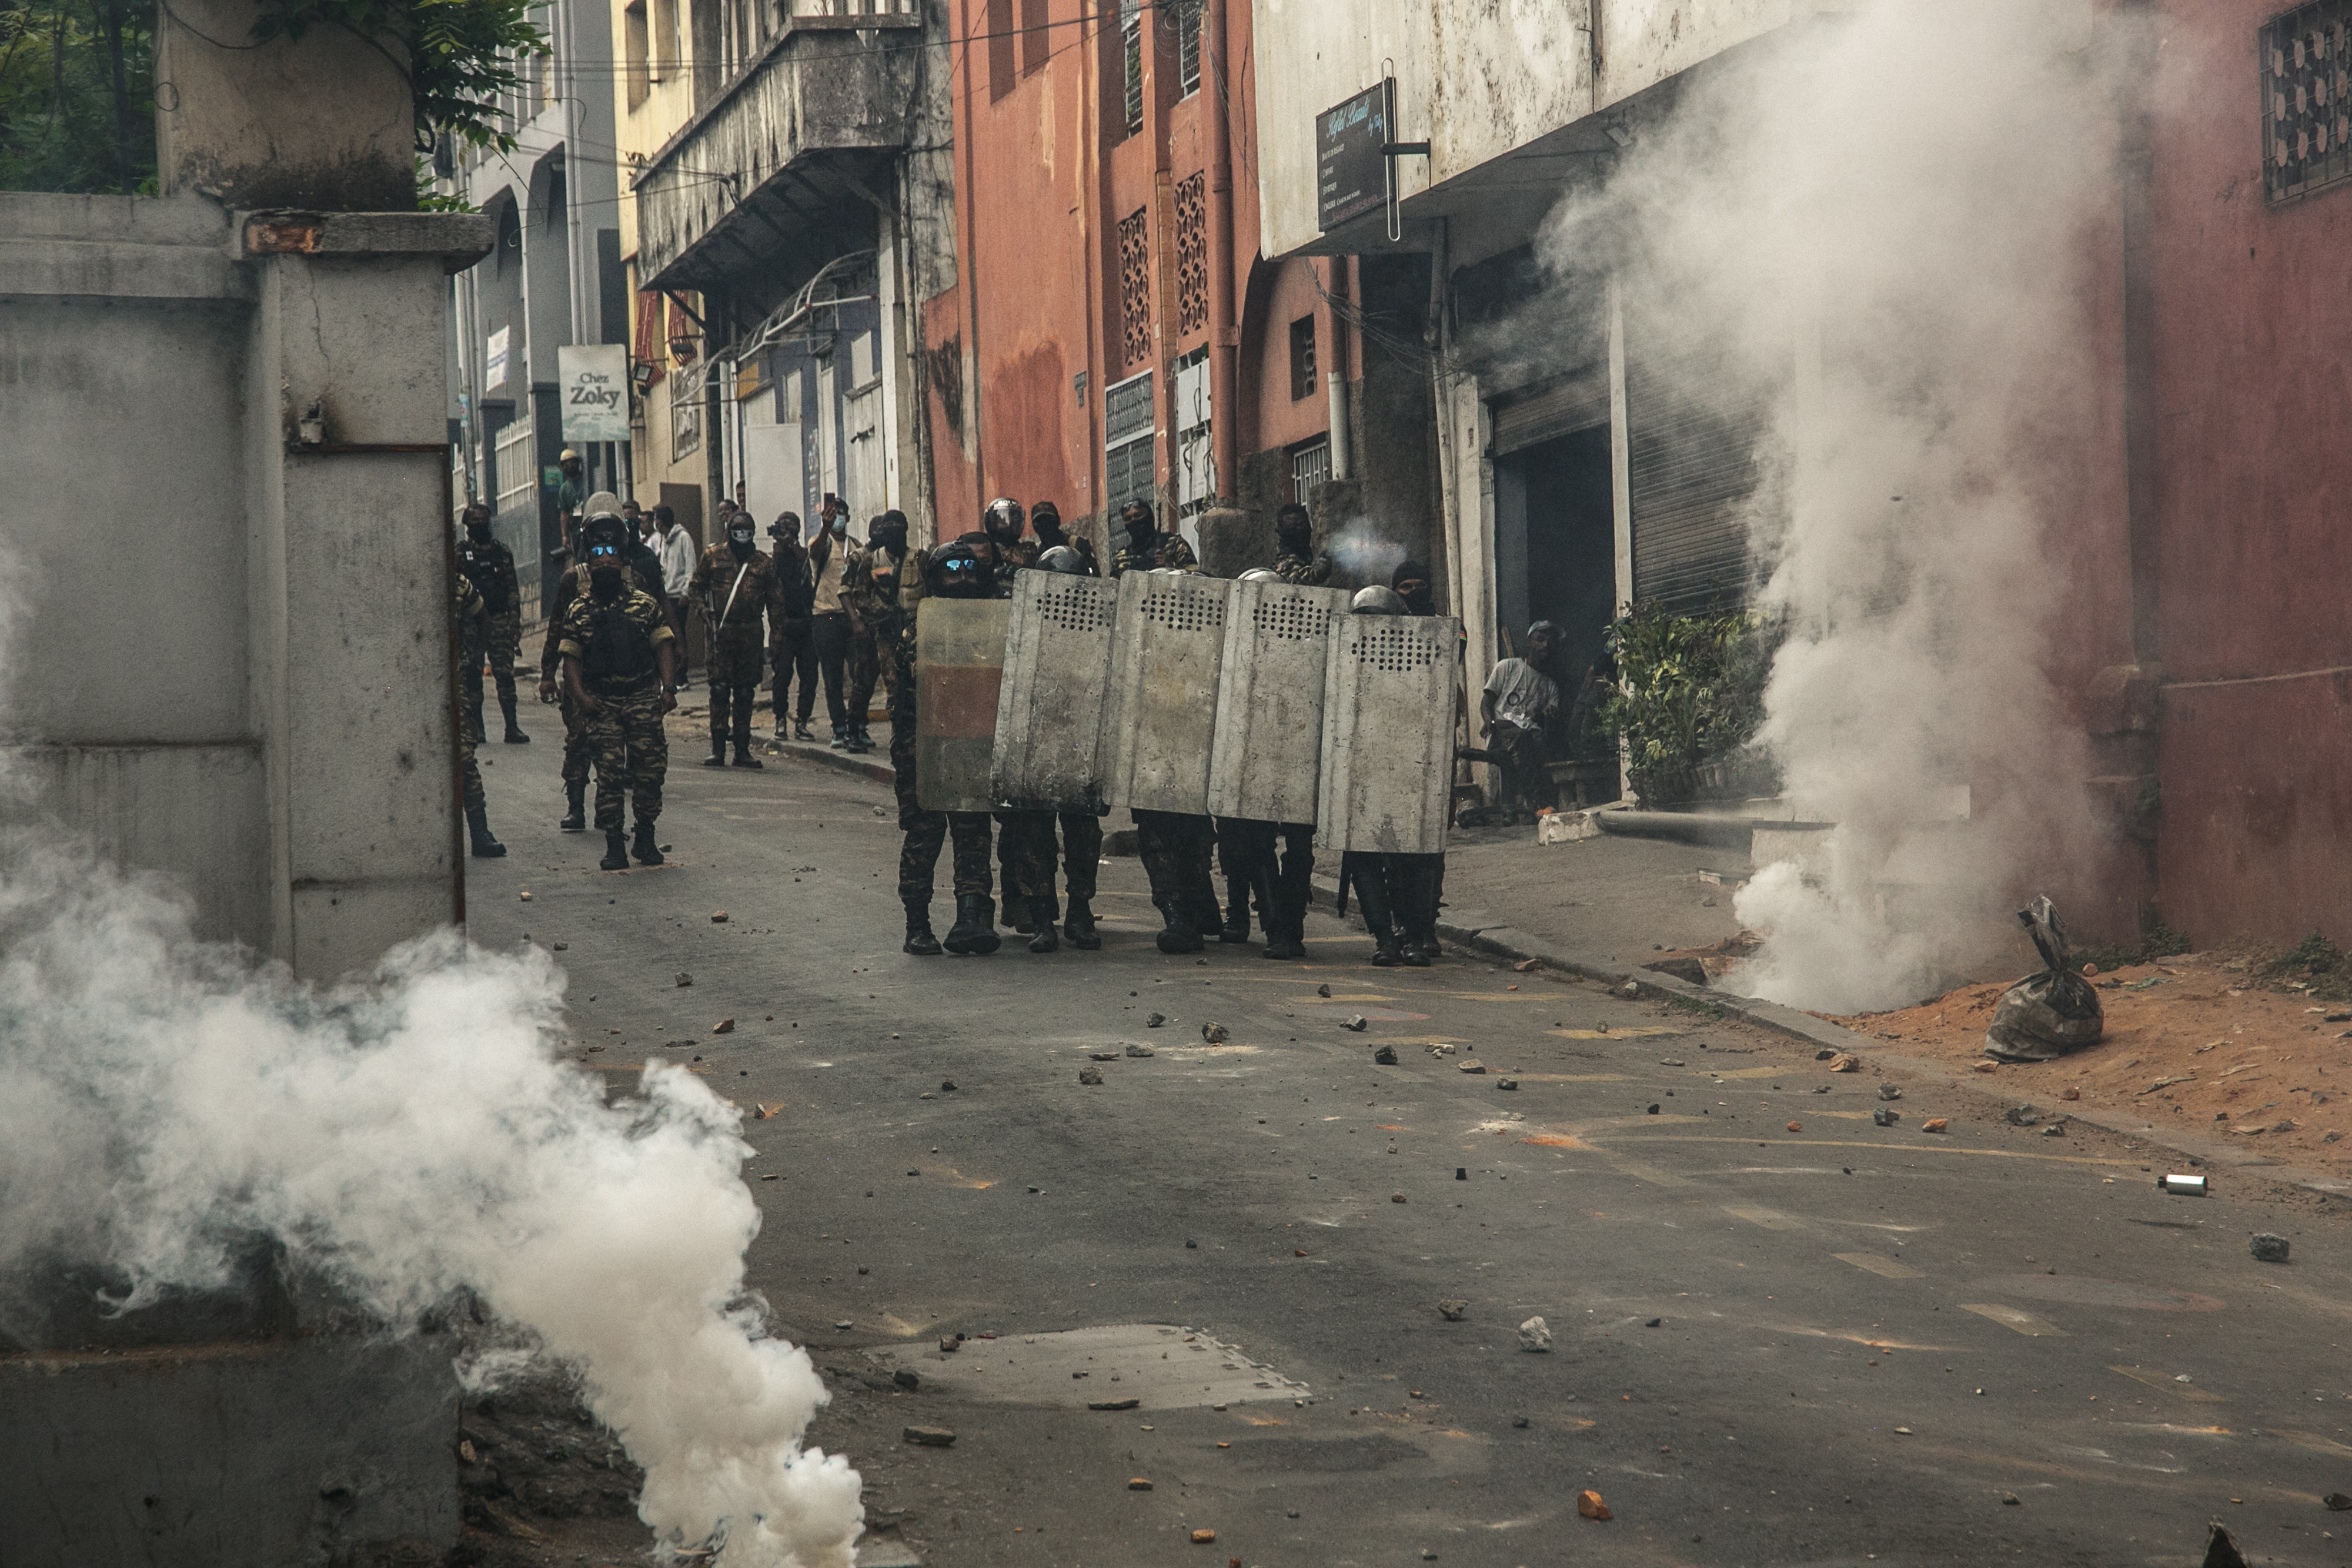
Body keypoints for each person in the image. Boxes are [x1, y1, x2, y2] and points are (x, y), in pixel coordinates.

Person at [897, 539, 1002, 956]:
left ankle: (971, 917)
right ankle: (917, 924)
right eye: (951, 570)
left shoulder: (990, 624)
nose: (962, 577)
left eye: (968, 569)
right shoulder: (918, 627)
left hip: (970, 735)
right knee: (925, 832)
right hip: (920, 741)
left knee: (973, 828)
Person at [557, 513, 679, 871]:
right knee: (609, 776)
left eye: (612, 551)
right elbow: (572, 659)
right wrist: (582, 699)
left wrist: (668, 689)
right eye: (598, 552)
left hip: (643, 699)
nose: (605, 558)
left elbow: (663, 646)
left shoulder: (643, 604)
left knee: (649, 772)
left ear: (622, 558)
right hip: (603, 704)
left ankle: (645, 836)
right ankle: (614, 844)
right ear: (589, 560)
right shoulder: (579, 610)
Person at [539, 493, 665, 831]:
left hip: (626, 685)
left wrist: (659, 680)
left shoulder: (635, 580)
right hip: (586, 681)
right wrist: (548, 674)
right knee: (578, 741)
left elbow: (652, 628)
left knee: (625, 754)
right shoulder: (573, 579)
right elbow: (557, 632)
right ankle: (576, 806)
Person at [689, 510, 789, 769]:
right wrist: (702, 610)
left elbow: (776, 603)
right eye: (737, 531)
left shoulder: (763, 563)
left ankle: (742, 749)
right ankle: (718, 748)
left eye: (747, 531)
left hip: (751, 632)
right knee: (719, 689)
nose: (742, 536)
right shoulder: (713, 556)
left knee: (745, 692)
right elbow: (696, 587)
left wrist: (777, 638)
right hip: (721, 632)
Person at [456, 503, 529, 745]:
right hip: (471, 623)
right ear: (467, 525)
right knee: (472, 675)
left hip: (499, 620)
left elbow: (512, 590)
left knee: (505, 675)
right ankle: (477, 729)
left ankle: (512, 727)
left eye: (484, 521)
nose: (480, 526)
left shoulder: (502, 552)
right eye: (475, 522)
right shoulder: (460, 554)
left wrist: (515, 622)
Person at [1481, 620, 1565, 824]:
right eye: (1540, 639)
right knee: (1522, 736)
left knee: (1536, 740)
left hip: (1528, 735)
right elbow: (1486, 702)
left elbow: (1549, 722)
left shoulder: (1550, 686)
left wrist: (1549, 714)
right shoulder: (1508, 667)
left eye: (1550, 641)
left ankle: (1532, 805)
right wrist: (1489, 721)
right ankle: (1538, 803)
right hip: (1502, 730)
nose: (1546, 645)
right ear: (1529, 643)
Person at [453, 572, 506, 858]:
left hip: (454, 681)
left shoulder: (458, 582)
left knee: (464, 758)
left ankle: (479, 832)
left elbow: (484, 618)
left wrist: (475, 658)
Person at [806, 496, 857, 747]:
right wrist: (825, 528)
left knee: (860, 672)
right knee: (832, 676)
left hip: (852, 619)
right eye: (833, 513)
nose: (838, 517)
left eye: (841, 513)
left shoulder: (856, 546)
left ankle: (857, 726)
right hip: (826, 617)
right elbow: (814, 552)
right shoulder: (820, 544)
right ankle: (839, 727)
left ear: (847, 517)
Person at [767, 514, 817, 740]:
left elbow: (809, 562)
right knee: (782, 676)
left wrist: (793, 544)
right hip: (783, 626)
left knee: (809, 677)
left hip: (806, 624)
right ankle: (780, 721)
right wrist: (779, 548)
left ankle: (802, 722)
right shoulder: (774, 559)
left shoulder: (803, 555)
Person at [654, 505, 698, 688]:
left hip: (679, 595)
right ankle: (671, 676)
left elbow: (691, 567)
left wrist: (686, 592)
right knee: (668, 636)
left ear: (661, 522)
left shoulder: (683, 538)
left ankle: (682, 677)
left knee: (679, 634)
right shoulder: (663, 540)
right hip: (666, 594)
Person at [1108, 497, 1198, 576]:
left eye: (1138, 515)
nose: (1134, 521)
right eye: (1128, 519)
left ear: (1149, 517)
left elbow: (1196, 577)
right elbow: (1112, 589)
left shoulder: (1174, 544)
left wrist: (1171, 566)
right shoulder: (1121, 557)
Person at [1270, 502, 1334, 586]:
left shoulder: (1305, 553)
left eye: (1302, 524)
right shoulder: (1283, 559)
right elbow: (1294, 578)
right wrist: (1316, 572)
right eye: (1293, 527)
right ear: (1282, 532)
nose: (1300, 529)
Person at [1031, 501, 1096, 574]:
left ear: (1058, 521)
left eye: (1049, 520)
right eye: (1040, 522)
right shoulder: (1035, 553)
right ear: (1035, 527)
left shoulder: (1078, 544)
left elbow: (1095, 577)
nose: (1045, 526)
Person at [554, 449, 584, 556]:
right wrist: (565, 536)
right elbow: (564, 514)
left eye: (571, 463)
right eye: (566, 464)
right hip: (576, 530)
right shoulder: (565, 488)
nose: (569, 466)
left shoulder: (586, 481)